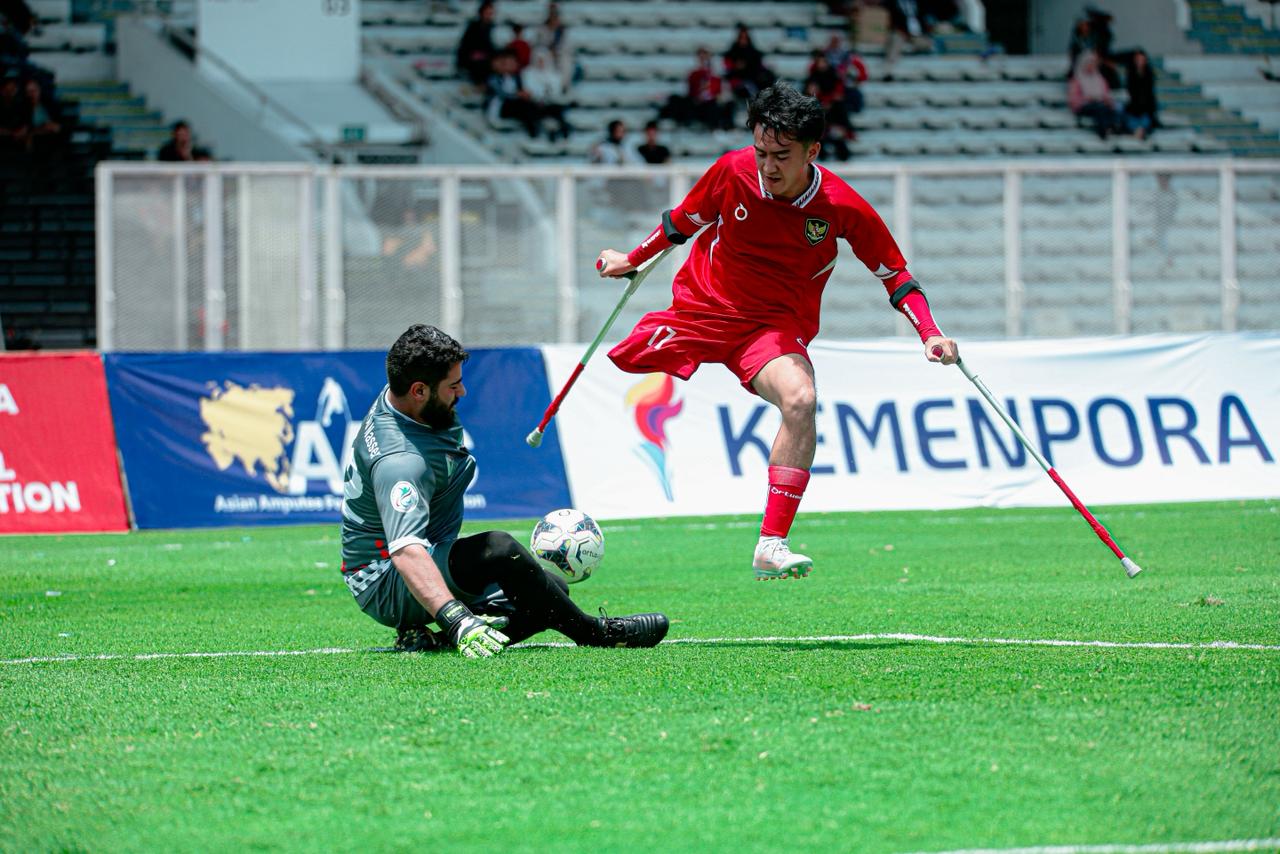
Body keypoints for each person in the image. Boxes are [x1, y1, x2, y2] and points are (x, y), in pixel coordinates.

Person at [594, 84, 958, 580]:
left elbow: (895, 275)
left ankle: (771, 544)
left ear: (813, 151)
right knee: (620, 361)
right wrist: (631, 259)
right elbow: (682, 222)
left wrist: (930, 333)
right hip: (703, 308)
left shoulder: (842, 205)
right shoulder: (732, 171)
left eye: (782, 156)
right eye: (762, 152)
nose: (767, 166)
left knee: (801, 399)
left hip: (771, 328)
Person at [340, 324, 670, 657]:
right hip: (386, 579)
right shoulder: (402, 462)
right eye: (453, 385)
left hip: (416, 560)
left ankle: (430, 642)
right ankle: (595, 633)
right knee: (498, 548)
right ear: (419, 391)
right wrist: (456, 619)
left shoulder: (405, 401)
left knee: (549, 590)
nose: (463, 391)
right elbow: (405, 551)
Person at [1067, 50, 1123, 140]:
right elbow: (1073, 99)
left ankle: (1115, 129)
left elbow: (1106, 94)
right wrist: (1088, 99)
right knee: (1099, 108)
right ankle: (1103, 132)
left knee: (1114, 108)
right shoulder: (1077, 79)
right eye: (1090, 63)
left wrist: (1107, 101)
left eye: (1093, 63)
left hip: (1099, 103)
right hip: (1083, 106)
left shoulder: (1099, 78)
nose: (1092, 65)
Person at [455, 0, 496, 88]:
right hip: (471, 55)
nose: (489, 15)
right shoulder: (474, 26)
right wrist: (475, 53)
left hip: (485, 54)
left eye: (491, 13)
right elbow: (466, 44)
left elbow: (489, 45)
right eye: (487, 13)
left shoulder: (490, 26)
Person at [1123, 49, 1158, 141]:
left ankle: (1141, 131)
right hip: (1133, 106)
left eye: (1141, 60)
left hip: (1146, 106)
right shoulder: (1130, 73)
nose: (1139, 62)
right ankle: (1137, 131)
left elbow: (1149, 91)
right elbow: (1130, 90)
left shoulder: (1149, 73)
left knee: (1146, 119)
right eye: (1138, 60)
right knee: (1131, 120)